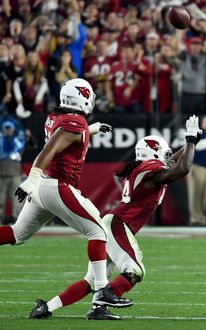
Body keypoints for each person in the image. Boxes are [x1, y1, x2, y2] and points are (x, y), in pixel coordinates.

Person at [28, 115, 202, 320]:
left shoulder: (145, 168)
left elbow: (173, 162)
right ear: (154, 155)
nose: (167, 158)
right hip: (118, 225)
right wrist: (190, 141)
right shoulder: (149, 171)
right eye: (163, 154)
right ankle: (105, 297)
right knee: (135, 270)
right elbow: (181, 168)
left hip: (114, 225)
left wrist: (190, 144)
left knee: (91, 281)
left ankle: (48, 307)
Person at [0, 78, 132, 312]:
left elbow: (66, 137)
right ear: (83, 98)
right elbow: (48, 150)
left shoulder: (58, 118)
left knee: (16, 233)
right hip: (55, 186)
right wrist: (30, 179)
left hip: (44, 186)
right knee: (98, 232)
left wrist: (92, 129)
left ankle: (99, 292)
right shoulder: (74, 121)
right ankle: (102, 290)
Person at [0, 117, 26, 224]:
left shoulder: (18, 141)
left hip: (15, 174)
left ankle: (17, 220)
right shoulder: (0, 141)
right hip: (1, 174)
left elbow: (25, 144)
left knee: (16, 199)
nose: (7, 130)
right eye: (6, 128)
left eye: (9, 128)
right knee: (0, 199)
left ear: (12, 129)